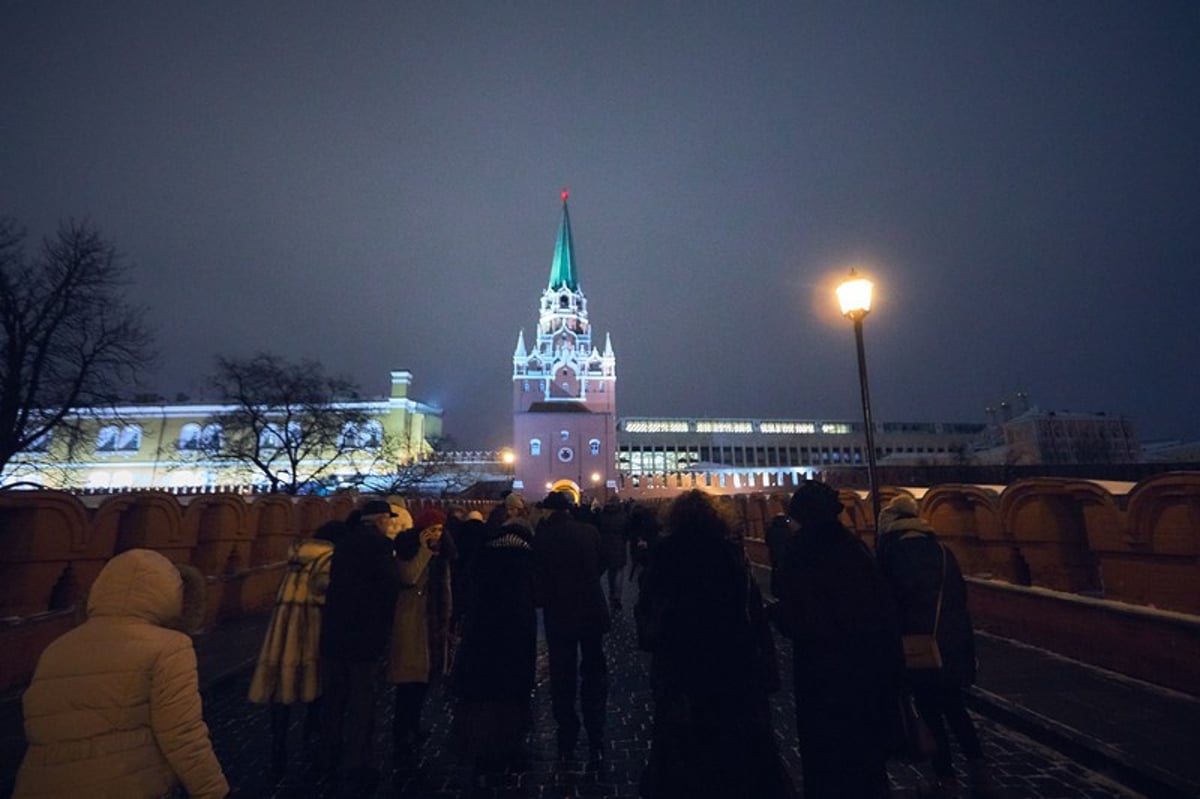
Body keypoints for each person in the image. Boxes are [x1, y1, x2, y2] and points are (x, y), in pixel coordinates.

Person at [14, 548, 229, 798]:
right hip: (124, 784)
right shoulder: (170, 647)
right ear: (169, 594)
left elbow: (39, 729)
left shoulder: (58, 647)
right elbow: (182, 734)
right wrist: (213, 790)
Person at [635, 491, 794, 799]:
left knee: (682, 749)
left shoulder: (665, 554)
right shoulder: (730, 554)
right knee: (730, 750)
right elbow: (751, 614)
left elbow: (649, 613)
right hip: (729, 665)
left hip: (680, 666)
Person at [771, 481, 903, 799]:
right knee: (865, 760)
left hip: (821, 672)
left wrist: (775, 616)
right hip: (864, 670)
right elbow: (882, 608)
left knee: (826, 760)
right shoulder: (853, 547)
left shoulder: (800, 550)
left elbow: (794, 613)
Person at [877, 494, 995, 798]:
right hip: (952, 644)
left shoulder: (891, 555)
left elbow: (888, 606)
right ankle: (980, 775)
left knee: (930, 714)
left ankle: (946, 782)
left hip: (917, 647)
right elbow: (959, 600)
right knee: (956, 709)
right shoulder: (943, 552)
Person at [248, 519, 345, 775]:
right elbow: (324, 592)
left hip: (282, 631)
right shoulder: (328, 559)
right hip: (311, 629)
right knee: (314, 688)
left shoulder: (296, 557)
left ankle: (278, 744)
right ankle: (310, 741)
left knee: (281, 692)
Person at [448, 513, 538, 788]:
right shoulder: (524, 562)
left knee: (485, 697)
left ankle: (482, 754)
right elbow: (530, 603)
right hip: (515, 638)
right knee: (511, 697)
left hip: (482, 638)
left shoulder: (483, 559)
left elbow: (467, 596)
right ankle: (510, 748)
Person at [319, 500, 403, 795]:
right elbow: (389, 586)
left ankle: (328, 756)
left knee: (334, 701)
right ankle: (358, 764)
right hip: (363, 636)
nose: (390, 524)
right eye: (388, 519)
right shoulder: (380, 546)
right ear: (381, 520)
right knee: (362, 703)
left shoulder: (344, 543)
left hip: (333, 633)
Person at [532, 490, 611, 763]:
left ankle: (567, 733)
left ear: (548, 511)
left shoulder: (542, 537)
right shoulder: (589, 531)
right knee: (594, 672)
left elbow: (538, 576)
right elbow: (602, 563)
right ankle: (596, 733)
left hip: (560, 614)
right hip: (591, 612)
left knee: (562, 675)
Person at [388, 507, 454, 762]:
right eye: (432, 530)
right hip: (412, 622)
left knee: (424, 682)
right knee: (408, 683)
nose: (437, 534)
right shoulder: (408, 548)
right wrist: (425, 550)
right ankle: (400, 732)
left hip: (434, 623)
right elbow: (409, 576)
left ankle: (414, 725)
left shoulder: (444, 553)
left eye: (440, 530)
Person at [596, 496, 630, 611]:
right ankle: (617, 596)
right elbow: (627, 531)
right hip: (619, 543)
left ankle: (611, 594)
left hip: (605, 544)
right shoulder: (623, 515)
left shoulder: (602, 515)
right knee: (619, 571)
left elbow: (598, 527)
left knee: (610, 571)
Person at [763, 512, 794, 599]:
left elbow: (767, 541)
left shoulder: (771, 529)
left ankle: (775, 590)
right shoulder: (788, 529)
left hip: (774, 555)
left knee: (775, 572)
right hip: (786, 554)